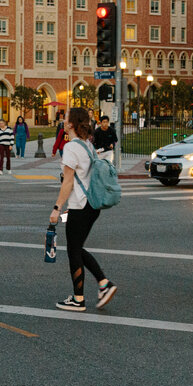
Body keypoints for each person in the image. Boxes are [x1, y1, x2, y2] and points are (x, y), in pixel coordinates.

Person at [49, 107, 119, 312]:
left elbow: (68, 182)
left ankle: (79, 298)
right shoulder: (87, 145)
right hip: (92, 204)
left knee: (73, 250)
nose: (63, 120)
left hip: (80, 205)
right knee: (76, 247)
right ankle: (104, 284)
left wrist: (56, 208)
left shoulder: (71, 148)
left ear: (71, 124)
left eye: (66, 118)